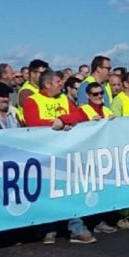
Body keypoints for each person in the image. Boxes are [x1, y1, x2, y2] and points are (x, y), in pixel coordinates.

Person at [22, 70, 96, 244]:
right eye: (57, 81)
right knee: (48, 191)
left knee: (71, 190)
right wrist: (53, 124)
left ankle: (76, 228)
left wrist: (63, 120)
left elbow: (79, 115)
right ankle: (48, 228)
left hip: (65, 154)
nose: (61, 84)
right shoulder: (33, 101)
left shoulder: (64, 99)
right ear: (47, 84)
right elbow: (32, 123)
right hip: (43, 156)